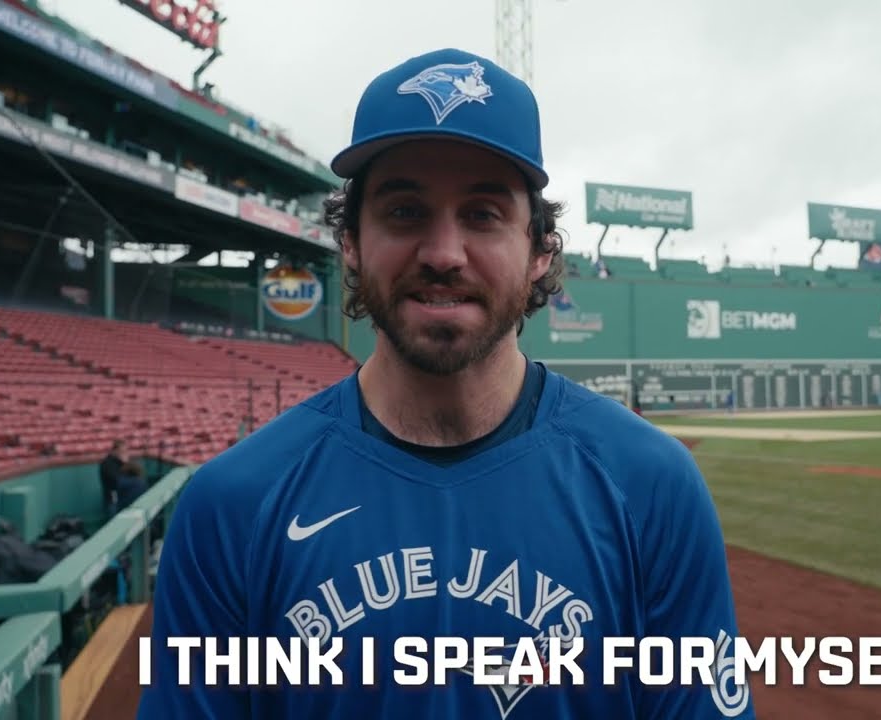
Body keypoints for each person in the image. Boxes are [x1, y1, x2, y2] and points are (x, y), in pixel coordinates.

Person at [138, 48, 753, 719]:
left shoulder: (650, 485)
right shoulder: (235, 503)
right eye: (404, 212)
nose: (442, 253)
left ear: (540, 250)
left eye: (484, 215)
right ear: (350, 241)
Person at [98, 439, 125, 520]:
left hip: (122, 498)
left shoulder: (120, 462)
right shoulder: (107, 463)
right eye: (121, 451)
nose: (123, 453)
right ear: (115, 450)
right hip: (112, 500)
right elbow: (116, 479)